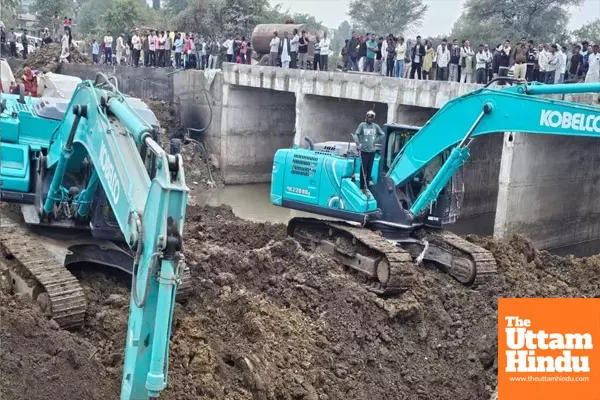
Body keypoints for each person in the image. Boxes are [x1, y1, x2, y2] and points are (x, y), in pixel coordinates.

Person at [352, 110, 385, 194]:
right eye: (368, 117)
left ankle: (367, 186)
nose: (369, 119)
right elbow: (356, 134)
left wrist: (375, 140)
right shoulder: (362, 125)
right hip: (364, 151)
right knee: (363, 168)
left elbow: (382, 134)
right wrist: (358, 144)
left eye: (371, 117)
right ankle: (362, 187)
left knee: (369, 168)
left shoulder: (375, 126)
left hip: (372, 151)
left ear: (373, 118)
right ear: (366, 117)